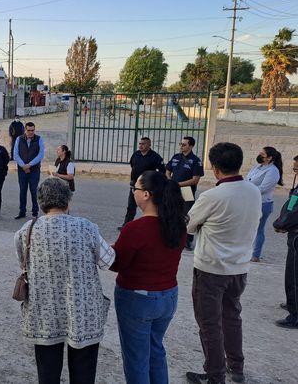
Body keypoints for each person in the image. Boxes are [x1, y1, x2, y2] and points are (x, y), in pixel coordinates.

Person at [14, 178, 114, 384]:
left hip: (44, 313)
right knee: (84, 373)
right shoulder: (86, 227)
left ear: (41, 202)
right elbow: (108, 260)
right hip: (83, 313)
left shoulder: (26, 231)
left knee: (47, 373)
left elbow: (23, 264)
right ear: (68, 201)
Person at [185, 143, 261, 384]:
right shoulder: (253, 191)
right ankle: (236, 368)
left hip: (211, 269)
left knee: (209, 325)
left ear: (215, 169)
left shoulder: (212, 196)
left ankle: (214, 375)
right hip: (239, 269)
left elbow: (188, 225)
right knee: (231, 318)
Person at [110, 171, 186, 384]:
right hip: (168, 297)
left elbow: (117, 263)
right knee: (155, 350)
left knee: (136, 359)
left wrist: (109, 251)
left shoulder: (135, 228)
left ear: (146, 195)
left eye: (136, 188)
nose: (133, 191)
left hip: (138, 299)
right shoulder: (177, 225)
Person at [273, 154, 298, 329]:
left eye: (296, 169)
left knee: (294, 276)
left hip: (296, 236)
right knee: (291, 274)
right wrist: (282, 222)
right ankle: (292, 304)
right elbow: (290, 206)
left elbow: (294, 211)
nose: (294, 171)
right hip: (292, 233)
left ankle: (295, 316)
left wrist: (281, 224)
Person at [166, 136, 204, 249]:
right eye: (180, 144)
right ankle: (171, 237)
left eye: (184, 144)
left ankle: (187, 240)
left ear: (191, 146)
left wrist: (178, 184)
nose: (181, 146)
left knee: (187, 215)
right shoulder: (176, 157)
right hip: (173, 190)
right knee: (171, 213)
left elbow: (195, 179)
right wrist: (169, 180)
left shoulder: (196, 161)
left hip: (187, 190)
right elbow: (168, 170)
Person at [246, 146, 283, 262]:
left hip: (262, 203)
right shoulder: (257, 167)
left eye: (262, 154)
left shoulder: (273, 171)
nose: (259, 155)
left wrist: (247, 189)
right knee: (248, 228)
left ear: (269, 158)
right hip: (250, 201)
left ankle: (255, 255)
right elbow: (247, 179)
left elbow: (263, 188)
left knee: (258, 229)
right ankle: (246, 252)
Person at [120, 137, 165, 229]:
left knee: (151, 207)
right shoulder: (136, 154)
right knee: (131, 206)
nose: (140, 145)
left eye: (143, 144)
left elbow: (162, 171)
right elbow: (132, 165)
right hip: (135, 185)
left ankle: (154, 226)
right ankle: (126, 225)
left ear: (149, 145)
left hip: (148, 186)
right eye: (140, 144)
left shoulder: (155, 157)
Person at [13, 122, 45, 219]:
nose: (31, 132)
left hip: (34, 170)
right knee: (22, 191)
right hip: (22, 170)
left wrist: (29, 165)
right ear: (25, 130)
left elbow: (40, 155)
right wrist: (23, 166)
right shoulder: (19, 139)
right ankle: (22, 211)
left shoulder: (39, 139)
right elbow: (15, 154)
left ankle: (35, 212)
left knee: (34, 191)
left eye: (32, 130)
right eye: (29, 130)